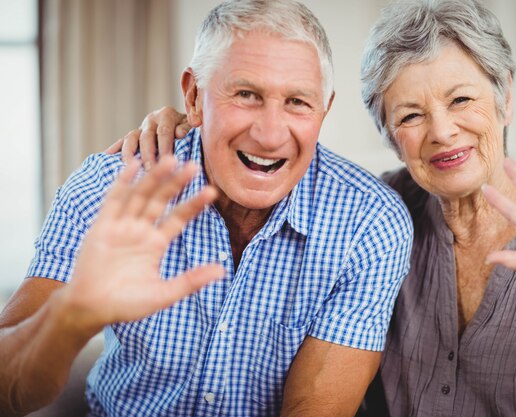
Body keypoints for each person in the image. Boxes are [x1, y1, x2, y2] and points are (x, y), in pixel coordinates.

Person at [123, 0, 516, 416]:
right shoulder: (372, 218)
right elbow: (270, 165)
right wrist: (190, 121)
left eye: (461, 100)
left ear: (505, 98)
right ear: (389, 136)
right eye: (410, 115)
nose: (442, 131)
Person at [0, 1, 413, 416]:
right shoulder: (109, 187)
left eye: (297, 102)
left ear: (324, 110)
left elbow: (315, 408)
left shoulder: (370, 223)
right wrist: (72, 317)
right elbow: (8, 386)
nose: (270, 135)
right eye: (246, 95)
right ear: (194, 96)